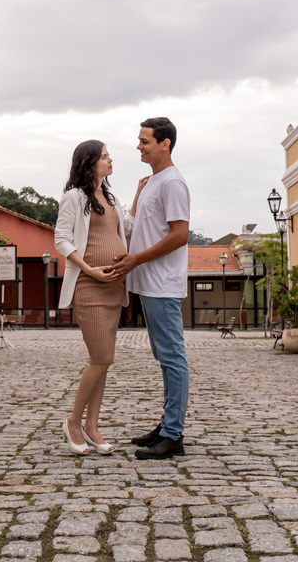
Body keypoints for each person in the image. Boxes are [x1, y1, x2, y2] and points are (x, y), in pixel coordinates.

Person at [109, 117, 191, 460]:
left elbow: (180, 234)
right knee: (165, 357)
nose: (139, 146)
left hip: (162, 285)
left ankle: (173, 434)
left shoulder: (173, 183)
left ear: (165, 143)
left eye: (145, 141)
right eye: (139, 140)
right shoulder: (154, 182)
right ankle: (167, 425)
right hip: (148, 284)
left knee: (173, 358)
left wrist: (136, 259)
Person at [54, 140, 132, 456]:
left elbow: (126, 227)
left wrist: (141, 194)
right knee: (102, 358)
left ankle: (92, 426)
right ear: (89, 162)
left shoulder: (111, 197)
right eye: (104, 156)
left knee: (102, 361)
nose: (110, 159)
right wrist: (90, 270)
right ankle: (74, 422)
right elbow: (61, 239)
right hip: (89, 285)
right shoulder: (73, 198)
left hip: (114, 287)